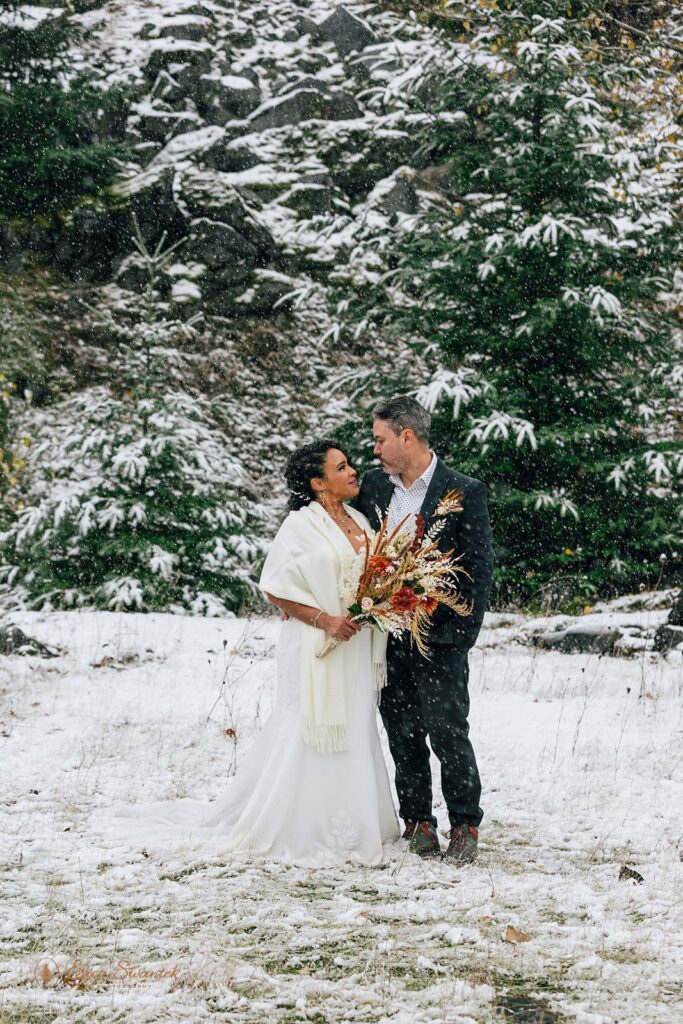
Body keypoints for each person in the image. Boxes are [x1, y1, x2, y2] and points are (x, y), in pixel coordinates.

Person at [99, 439, 399, 866]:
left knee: (354, 727)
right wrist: (325, 620)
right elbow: (275, 586)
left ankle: (355, 821)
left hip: (357, 642)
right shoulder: (299, 526)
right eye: (342, 467)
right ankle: (298, 824)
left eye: (349, 464)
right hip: (317, 642)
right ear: (318, 483)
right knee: (309, 726)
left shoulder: (359, 519)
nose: (353, 471)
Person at [353, 395, 494, 863]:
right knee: (401, 729)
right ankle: (418, 822)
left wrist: (460, 635)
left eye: (381, 439)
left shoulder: (464, 491)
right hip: (385, 637)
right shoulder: (374, 487)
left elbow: (478, 568)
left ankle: (465, 825)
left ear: (407, 437)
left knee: (449, 731)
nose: (375, 449)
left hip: (441, 639)